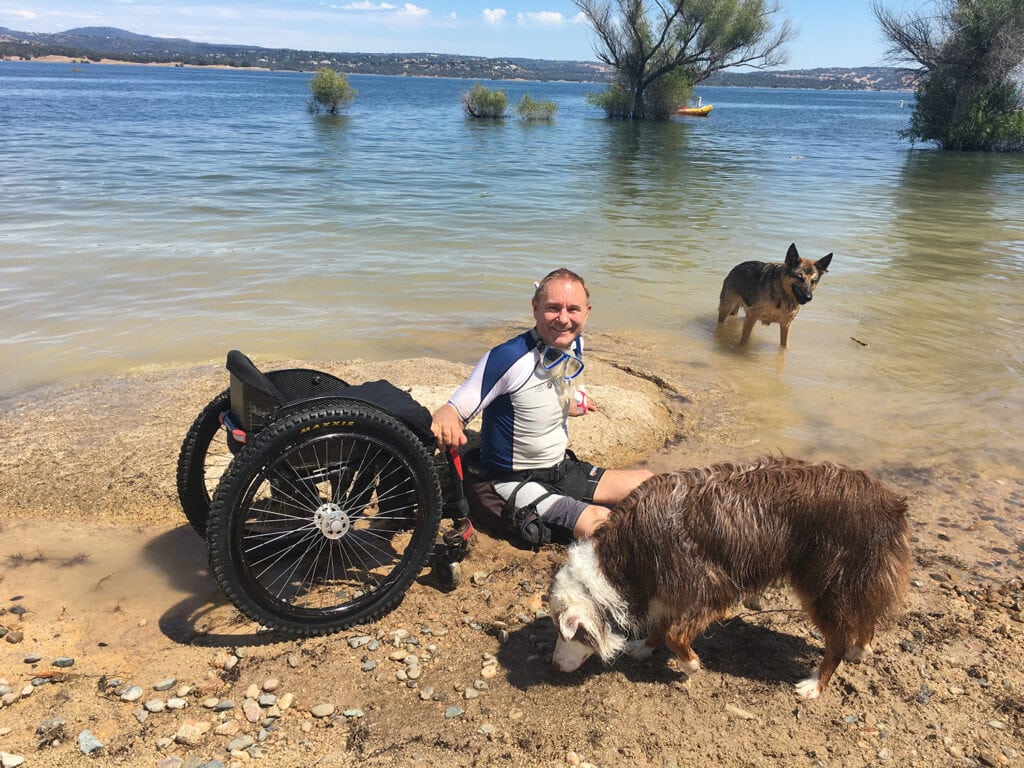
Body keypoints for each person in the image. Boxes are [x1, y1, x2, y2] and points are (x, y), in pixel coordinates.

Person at [431, 268, 653, 544]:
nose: (563, 319)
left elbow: (562, 378)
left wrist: (572, 401)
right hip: (510, 482)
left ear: (587, 312)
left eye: (573, 309)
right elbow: (454, 409)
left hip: (559, 470)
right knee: (602, 525)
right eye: (552, 308)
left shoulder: (573, 342)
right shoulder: (509, 357)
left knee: (651, 484)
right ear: (535, 308)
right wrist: (446, 417)